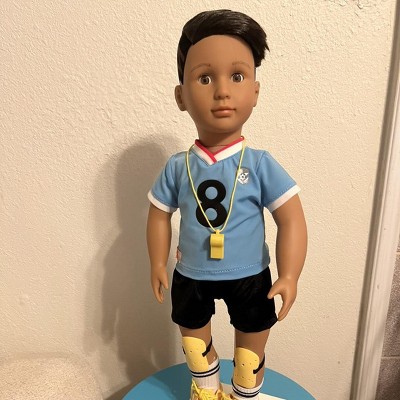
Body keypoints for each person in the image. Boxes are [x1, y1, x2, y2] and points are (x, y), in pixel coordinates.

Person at [146, 10, 307, 400]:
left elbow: (291, 219)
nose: (222, 91)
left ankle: (243, 395)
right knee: (195, 347)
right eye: (205, 78)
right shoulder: (179, 167)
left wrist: (290, 274)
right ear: (181, 96)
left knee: (249, 357)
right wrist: (157, 262)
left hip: (250, 274)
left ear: (255, 91)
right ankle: (206, 392)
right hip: (191, 273)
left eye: (237, 76)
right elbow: (159, 214)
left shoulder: (260, 164)